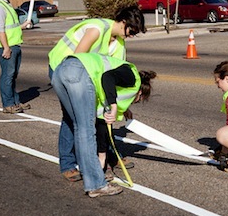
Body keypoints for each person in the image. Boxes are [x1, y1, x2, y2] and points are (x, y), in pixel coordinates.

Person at [48, 5, 146, 182]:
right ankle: (68, 164)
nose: (132, 35)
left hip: (87, 77)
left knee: (102, 115)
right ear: (124, 22)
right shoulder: (97, 29)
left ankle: (109, 155)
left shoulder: (119, 44)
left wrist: (123, 107)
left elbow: (113, 76)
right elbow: (76, 61)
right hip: (63, 69)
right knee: (74, 118)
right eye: (132, 30)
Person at [50, 53, 156, 197]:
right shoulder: (133, 77)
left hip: (60, 71)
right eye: (137, 100)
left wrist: (101, 157)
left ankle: (90, 173)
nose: (132, 102)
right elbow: (108, 77)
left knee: (79, 126)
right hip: (79, 72)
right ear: (139, 92)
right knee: (85, 130)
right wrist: (113, 105)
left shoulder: (105, 90)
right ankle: (96, 184)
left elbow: (102, 123)